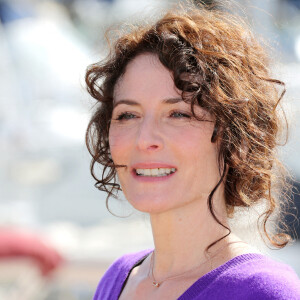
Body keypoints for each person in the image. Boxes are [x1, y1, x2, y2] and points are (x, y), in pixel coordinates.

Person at [85, 2, 300, 299]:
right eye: (127, 115)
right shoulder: (117, 279)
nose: (144, 139)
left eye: (178, 114)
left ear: (236, 140)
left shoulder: (263, 292)